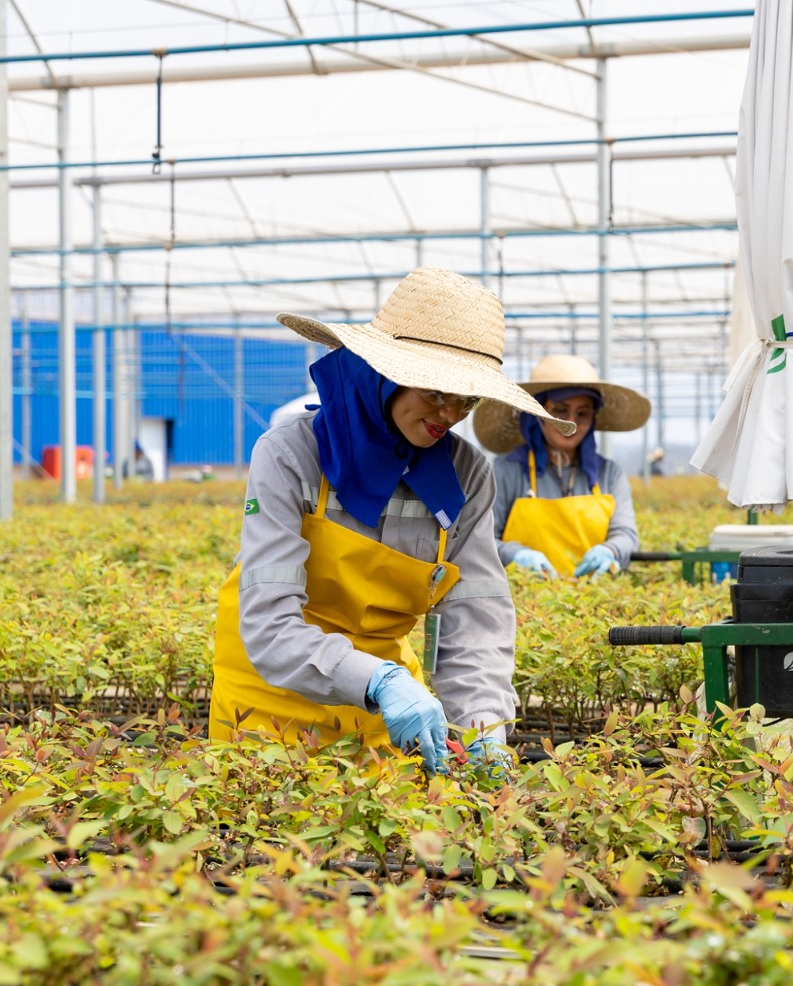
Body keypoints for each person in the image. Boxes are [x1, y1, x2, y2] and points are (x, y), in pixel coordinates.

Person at [209, 267, 573, 774]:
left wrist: (484, 726)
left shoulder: (467, 474)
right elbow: (270, 624)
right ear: (383, 372)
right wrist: (378, 678)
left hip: (387, 710)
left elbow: (478, 617)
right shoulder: (292, 453)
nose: (450, 413)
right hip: (269, 700)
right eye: (434, 391)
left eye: (467, 398)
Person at [473, 354, 652, 580]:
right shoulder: (507, 471)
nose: (571, 422)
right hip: (524, 599)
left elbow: (626, 534)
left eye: (582, 413)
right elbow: (482, 539)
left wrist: (610, 551)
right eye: (559, 410)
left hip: (594, 599)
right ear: (537, 412)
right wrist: (516, 555)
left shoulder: (609, 474)